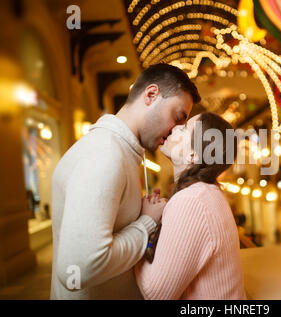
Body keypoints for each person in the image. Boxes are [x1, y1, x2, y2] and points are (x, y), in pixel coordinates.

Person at [50, 64, 200, 299]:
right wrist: (146, 222)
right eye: (177, 117)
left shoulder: (121, 151)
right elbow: (80, 267)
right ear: (151, 95)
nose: (175, 131)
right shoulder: (105, 153)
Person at [134, 112, 247, 299]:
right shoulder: (206, 194)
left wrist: (144, 223)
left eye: (185, 129)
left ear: (193, 155)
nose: (177, 127)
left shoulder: (192, 201)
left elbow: (155, 293)